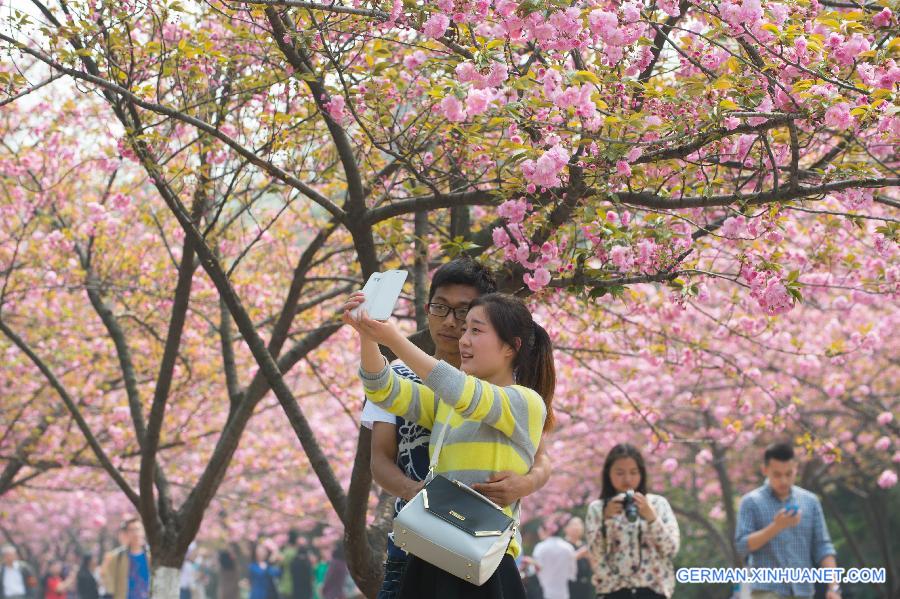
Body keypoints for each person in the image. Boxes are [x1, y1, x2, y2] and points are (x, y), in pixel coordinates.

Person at [344, 286, 556, 599]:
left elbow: (462, 391)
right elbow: (383, 390)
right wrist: (367, 335)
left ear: (511, 347)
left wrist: (392, 339)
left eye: (476, 330)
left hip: (484, 560)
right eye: (465, 329)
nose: (464, 339)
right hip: (433, 552)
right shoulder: (449, 403)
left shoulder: (525, 402)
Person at [735, 442, 840, 599]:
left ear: (796, 469)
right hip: (766, 590)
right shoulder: (751, 502)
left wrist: (834, 588)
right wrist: (776, 527)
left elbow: (823, 547)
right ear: (765, 470)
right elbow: (742, 546)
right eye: (777, 475)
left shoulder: (810, 502)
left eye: (789, 474)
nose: (783, 480)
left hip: (803, 591)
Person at [585, 444, 680, 599]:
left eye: (633, 472)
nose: (627, 479)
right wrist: (606, 521)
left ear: (642, 473)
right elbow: (595, 555)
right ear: (608, 474)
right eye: (620, 473)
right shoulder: (598, 509)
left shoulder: (657, 504)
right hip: (611, 592)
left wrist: (651, 517)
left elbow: (671, 549)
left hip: (653, 591)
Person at [100, 519, 150, 599]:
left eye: (138, 529)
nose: (136, 533)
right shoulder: (116, 557)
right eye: (132, 530)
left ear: (143, 531)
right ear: (127, 533)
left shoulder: (151, 556)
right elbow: (108, 582)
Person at [532, 524, 576, 599]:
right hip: (563, 593)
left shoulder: (540, 547)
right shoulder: (568, 548)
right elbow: (572, 572)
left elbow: (535, 569)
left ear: (548, 531)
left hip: (544, 592)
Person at [562, 518, 593, 599]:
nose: (577, 527)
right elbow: (561, 564)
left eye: (579, 525)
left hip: (585, 586)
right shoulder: (563, 545)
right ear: (566, 528)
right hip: (569, 586)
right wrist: (579, 554)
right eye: (574, 525)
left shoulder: (585, 545)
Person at [278, 531, 312, 599]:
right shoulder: (299, 552)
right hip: (299, 585)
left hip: (287, 582)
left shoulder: (287, 552)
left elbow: (280, 563)